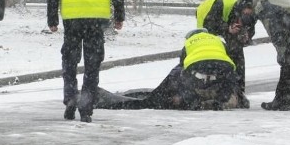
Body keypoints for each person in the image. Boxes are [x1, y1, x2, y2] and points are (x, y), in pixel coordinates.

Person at [47, 0, 125, 122]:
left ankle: (71, 98)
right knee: (92, 65)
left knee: (70, 62)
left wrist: (52, 19)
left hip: (72, 21)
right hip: (96, 21)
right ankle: (87, 105)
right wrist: (119, 16)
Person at [96, 29, 243, 111]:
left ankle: (193, 102)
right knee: (227, 79)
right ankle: (220, 101)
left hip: (197, 66)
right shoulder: (217, 40)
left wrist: (176, 92)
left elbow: (181, 67)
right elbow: (228, 58)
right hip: (225, 67)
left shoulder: (189, 43)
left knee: (185, 79)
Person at [196, 0, 256, 107]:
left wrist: (247, 35)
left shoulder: (252, 14)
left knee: (237, 52)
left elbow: (251, 29)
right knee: (212, 52)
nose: (246, 15)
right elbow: (210, 24)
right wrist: (227, 28)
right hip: (206, 18)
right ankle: (210, 88)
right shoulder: (221, 4)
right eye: (244, 13)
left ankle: (238, 92)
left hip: (227, 23)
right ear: (239, 9)